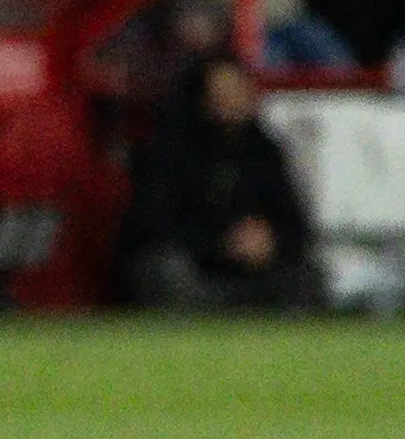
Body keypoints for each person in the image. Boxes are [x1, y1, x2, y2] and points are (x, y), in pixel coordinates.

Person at [124, 56, 316, 308]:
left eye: (236, 91)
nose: (229, 101)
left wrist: (269, 240)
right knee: (166, 270)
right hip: (197, 269)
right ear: (203, 99)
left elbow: (294, 222)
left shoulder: (264, 151)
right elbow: (154, 224)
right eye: (220, 93)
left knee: (306, 275)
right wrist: (221, 244)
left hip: (253, 275)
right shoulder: (171, 151)